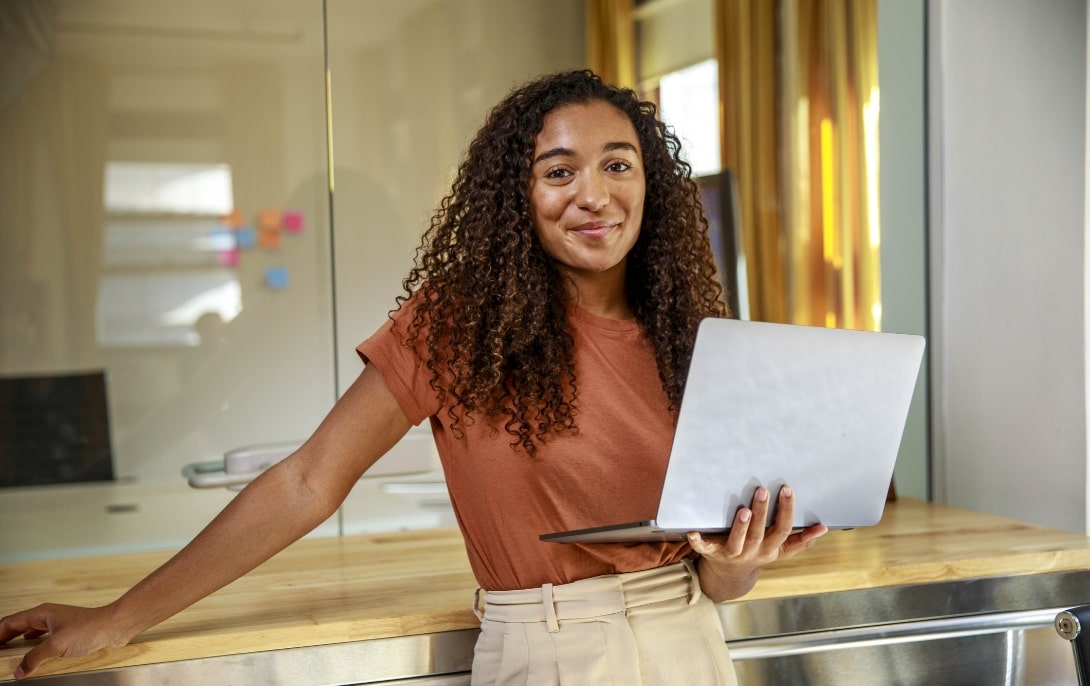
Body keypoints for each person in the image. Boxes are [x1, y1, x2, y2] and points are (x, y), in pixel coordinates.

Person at [0, 70, 827, 684]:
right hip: (551, 653)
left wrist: (735, 560)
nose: (594, 195)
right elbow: (305, 483)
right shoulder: (459, 322)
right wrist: (119, 617)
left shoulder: (691, 340)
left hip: (692, 646)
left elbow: (714, 576)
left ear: (649, 184)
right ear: (519, 194)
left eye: (618, 165)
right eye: (559, 171)